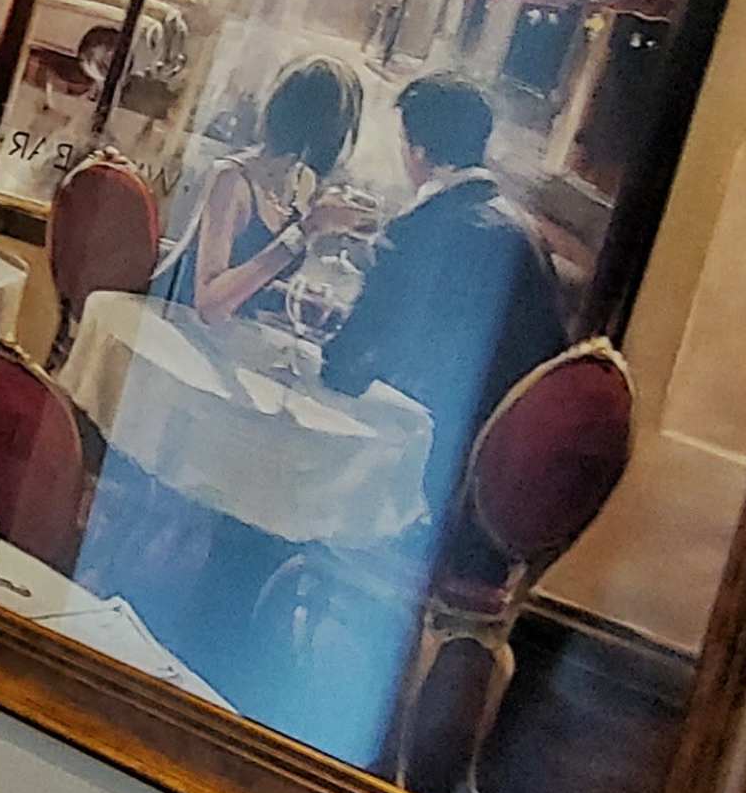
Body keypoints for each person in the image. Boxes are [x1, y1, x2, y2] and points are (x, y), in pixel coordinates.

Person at [320, 74, 574, 524]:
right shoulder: (520, 228)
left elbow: (349, 363)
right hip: (508, 487)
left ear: (418, 152)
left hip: (424, 487)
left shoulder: (418, 230)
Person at [164, 57, 379, 325]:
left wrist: (294, 297)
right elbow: (209, 303)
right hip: (178, 334)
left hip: (235, 338)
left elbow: (257, 280)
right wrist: (306, 229)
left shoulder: (302, 183)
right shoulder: (231, 180)